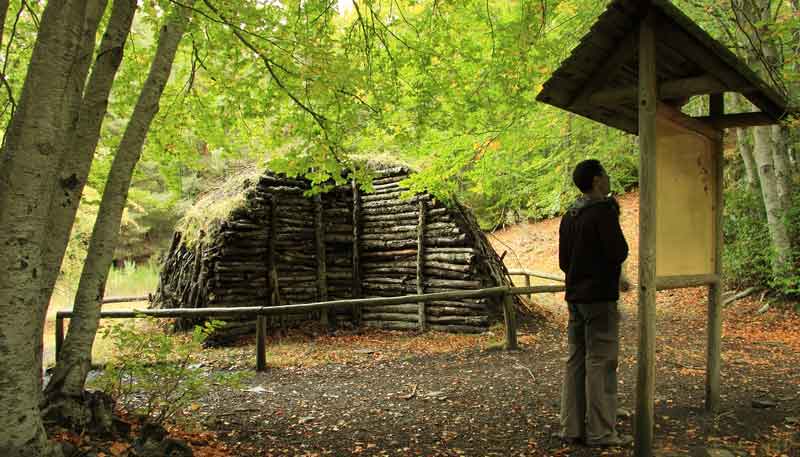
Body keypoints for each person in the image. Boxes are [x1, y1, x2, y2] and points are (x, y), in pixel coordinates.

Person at [557, 159, 630, 447]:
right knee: (601, 362)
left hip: (575, 299)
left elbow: (564, 262)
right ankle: (601, 432)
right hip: (599, 299)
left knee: (575, 361)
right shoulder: (602, 213)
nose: (609, 180)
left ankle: (571, 427)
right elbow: (619, 251)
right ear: (598, 179)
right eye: (606, 175)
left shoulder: (569, 215)